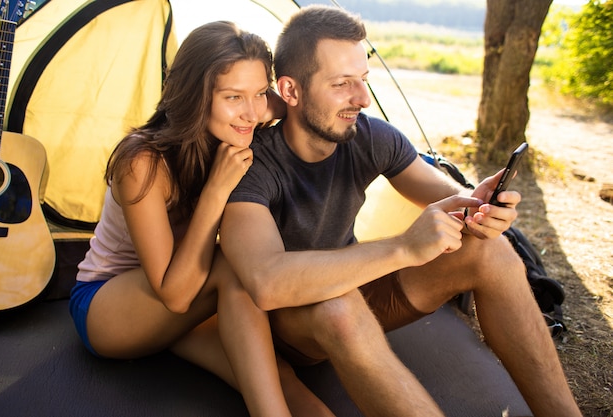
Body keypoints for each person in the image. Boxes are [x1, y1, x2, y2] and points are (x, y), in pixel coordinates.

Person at [219, 5, 583, 417]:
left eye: (364, 80)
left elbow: (445, 193)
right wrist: (404, 247)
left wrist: (476, 204)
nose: (361, 99)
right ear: (291, 92)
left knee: (492, 250)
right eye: (342, 84)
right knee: (338, 308)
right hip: (288, 325)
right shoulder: (250, 165)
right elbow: (266, 282)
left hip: (355, 292)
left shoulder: (367, 136)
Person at [68, 21, 333, 417]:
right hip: (112, 306)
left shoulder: (244, 116)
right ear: (195, 96)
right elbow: (173, 295)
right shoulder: (141, 161)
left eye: (259, 93)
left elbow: (283, 105)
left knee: (278, 377)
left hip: (191, 292)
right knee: (234, 267)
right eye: (232, 97)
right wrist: (216, 190)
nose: (250, 113)